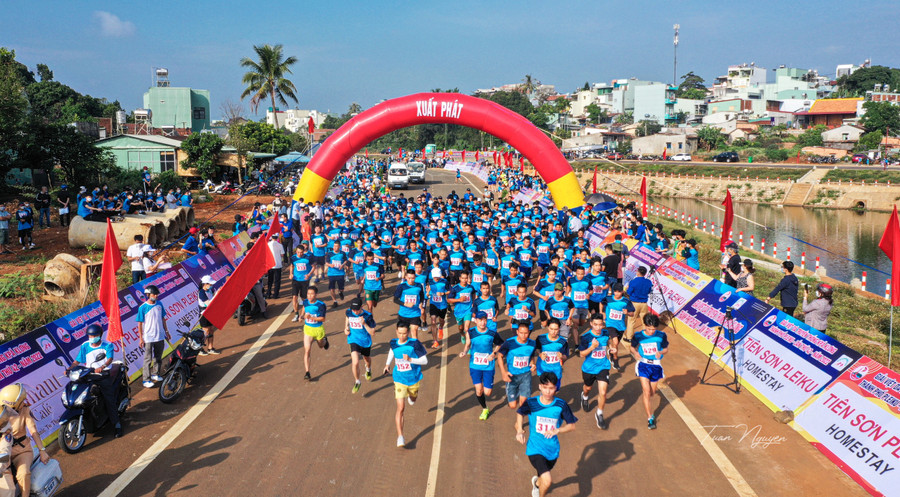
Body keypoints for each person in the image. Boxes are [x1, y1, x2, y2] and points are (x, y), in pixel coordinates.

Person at [515, 372, 577, 497]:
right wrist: (519, 430)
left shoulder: (561, 405)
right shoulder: (531, 403)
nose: (548, 391)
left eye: (551, 388)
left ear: (556, 388)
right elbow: (520, 413)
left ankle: (536, 484)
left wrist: (557, 430)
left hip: (552, 449)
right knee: (547, 480)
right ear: (540, 387)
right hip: (535, 448)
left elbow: (572, 426)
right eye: (545, 387)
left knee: (543, 477)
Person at [68, 324, 123, 437]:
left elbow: (109, 359)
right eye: (90, 335)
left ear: (100, 335)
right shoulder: (85, 346)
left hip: (103, 375)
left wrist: (101, 367)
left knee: (109, 400)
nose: (92, 337)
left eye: (95, 335)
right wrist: (69, 369)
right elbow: (78, 360)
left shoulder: (107, 345)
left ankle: (117, 424)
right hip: (88, 375)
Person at [0, 383, 49, 496]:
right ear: (12, 405)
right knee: (6, 487)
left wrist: (42, 450)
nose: (24, 402)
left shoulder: (24, 410)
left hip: (21, 451)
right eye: (21, 401)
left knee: (23, 474)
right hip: (3, 454)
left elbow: (33, 431)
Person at [383, 325, 428, 448]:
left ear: (408, 332)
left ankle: (412, 397)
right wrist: (387, 364)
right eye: (400, 333)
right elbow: (392, 351)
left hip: (413, 378)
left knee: (413, 399)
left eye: (404, 333)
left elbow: (425, 361)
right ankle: (400, 436)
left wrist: (410, 360)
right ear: (396, 331)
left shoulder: (415, 344)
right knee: (401, 408)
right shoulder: (393, 343)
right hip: (399, 379)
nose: (402, 336)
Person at [459, 311, 504, 420]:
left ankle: (486, 387)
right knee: (479, 390)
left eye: (484, 320)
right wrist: (464, 352)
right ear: (476, 321)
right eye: (480, 320)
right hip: (475, 365)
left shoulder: (492, 333)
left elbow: (500, 344)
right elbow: (468, 344)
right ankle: (485, 408)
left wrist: (493, 354)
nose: (483, 322)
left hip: (488, 366)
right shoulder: (470, 332)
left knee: (488, 392)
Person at [631, 314, 668, 430]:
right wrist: (635, 353)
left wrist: (661, 353)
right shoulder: (638, 336)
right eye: (649, 328)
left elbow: (666, 349)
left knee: (652, 392)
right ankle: (650, 418)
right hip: (643, 365)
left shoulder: (662, 335)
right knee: (646, 392)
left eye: (654, 329)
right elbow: (632, 347)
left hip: (656, 366)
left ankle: (647, 396)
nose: (652, 331)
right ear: (645, 325)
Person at [578, 314, 613, 429]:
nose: (598, 327)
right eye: (596, 325)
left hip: (603, 367)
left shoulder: (606, 333)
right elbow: (581, 354)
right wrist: (592, 347)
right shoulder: (585, 337)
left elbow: (609, 342)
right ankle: (585, 396)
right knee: (588, 388)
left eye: (600, 324)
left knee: (603, 392)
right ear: (591, 324)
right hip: (589, 368)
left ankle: (599, 414)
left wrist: (612, 347)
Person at [498, 323, 537, 410]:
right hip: (512, 376)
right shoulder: (509, 343)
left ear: (529, 332)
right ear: (517, 332)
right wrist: (503, 373)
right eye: (521, 333)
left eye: (526, 333)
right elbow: (499, 356)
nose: (523, 335)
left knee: (523, 404)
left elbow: (531, 356)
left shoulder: (532, 344)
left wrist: (533, 363)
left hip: (526, 376)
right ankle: (515, 394)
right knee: (513, 406)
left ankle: (519, 422)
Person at [137, 284, 168, 388]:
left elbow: (163, 318)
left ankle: (156, 374)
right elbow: (140, 324)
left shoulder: (160, 304)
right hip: (149, 338)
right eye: (154, 294)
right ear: (148, 295)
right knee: (148, 359)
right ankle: (146, 380)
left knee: (158, 357)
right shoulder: (143, 308)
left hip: (160, 336)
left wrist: (166, 331)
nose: (156, 296)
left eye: (157, 294)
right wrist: (141, 338)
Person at [345, 298, 376, 393]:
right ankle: (357, 381)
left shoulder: (368, 316)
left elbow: (372, 332)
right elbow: (347, 321)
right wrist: (346, 329)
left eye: (357, 309)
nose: (354, 311)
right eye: (353, 309)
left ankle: (368, 369)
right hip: (353, 340)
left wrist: (364, 324)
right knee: (355, 362)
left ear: (361, 307)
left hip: (365, 342)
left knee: (367, 359)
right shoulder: (349, 312)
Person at [301, 286, 329, 380]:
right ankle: (307, 372)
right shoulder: (305, 302)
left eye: (312, 294)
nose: (309, 296)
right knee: (307, 350)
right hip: (308, 329)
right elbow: (304, 308)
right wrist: (301, 316)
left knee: (321, 346)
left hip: (318, 329)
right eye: (308, 293)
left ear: (316, 295)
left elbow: (323, 319)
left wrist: (311, 318)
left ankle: (325, 340)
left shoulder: (321, 305)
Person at [394, 271, 426, 339]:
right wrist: (405, 304)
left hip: (415, 313)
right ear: (405, 277)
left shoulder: (419, 286)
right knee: (403, 335)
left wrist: (421, 303)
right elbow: (395, 300)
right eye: (409, 278)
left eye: (412, 278)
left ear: (415, 277)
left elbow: (422, 296)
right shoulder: (401, 286)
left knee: (414, 331)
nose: (411, 280)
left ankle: (415, 348)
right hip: (403, 314)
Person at [624, 266, 652, 342]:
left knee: (631, 321)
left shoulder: (633, 281)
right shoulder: (648, 282)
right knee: (644, 321)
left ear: (638, 272)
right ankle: (644, 336)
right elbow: (649, 291)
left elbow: (629, 292)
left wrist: (627, 288)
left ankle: (629, 337)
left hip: (634, 303)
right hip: (644, 304)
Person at [198, 275, 220, 355]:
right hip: (203, 315)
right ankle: (200, 349)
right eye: (210, 284)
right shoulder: (201, 293)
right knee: (205, 332)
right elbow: (209, 304)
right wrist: (216, 294)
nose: (211, 285)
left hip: (210, 313)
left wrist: (216, 294)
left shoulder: (210, 291)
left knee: (211, 330)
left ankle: (210, 348)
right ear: (205, 284)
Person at [290, 244, 312, 322]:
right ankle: (296, 314)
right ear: (296, 251)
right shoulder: (293, 258)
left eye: (301, 252)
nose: (300, 254)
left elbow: (314, 266)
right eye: (298, 252)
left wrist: (309, 274)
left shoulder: (308, 258)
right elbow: (292, 266)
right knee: (294, 297)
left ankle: (306, 312)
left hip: (304, 281)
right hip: (296, 280)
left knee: (304, 298)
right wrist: (291, 273)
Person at [266, 233, 285, 299]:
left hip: (270, 265)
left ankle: (268, 293)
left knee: (270, 280)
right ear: (277, 238)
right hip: (278, 264)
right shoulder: (280, 245)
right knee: (277, 280)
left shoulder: (268, 244)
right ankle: (275, 294)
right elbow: (282, 254)